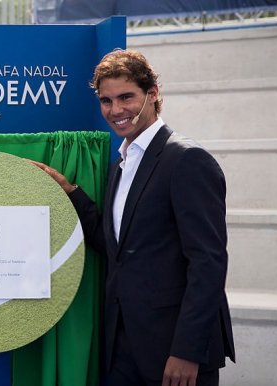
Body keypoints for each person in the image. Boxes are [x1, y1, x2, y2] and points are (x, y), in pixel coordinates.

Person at [32, 49, 235, 386]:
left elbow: (208, 262)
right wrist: (70, 191)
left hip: (175, 352)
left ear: (153, 93)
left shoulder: (187, 160)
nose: (115, 110)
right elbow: (117, 249)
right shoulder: (121, 164)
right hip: (123, 348)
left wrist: (187, 350)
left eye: (126, 97)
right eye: (106, 100)